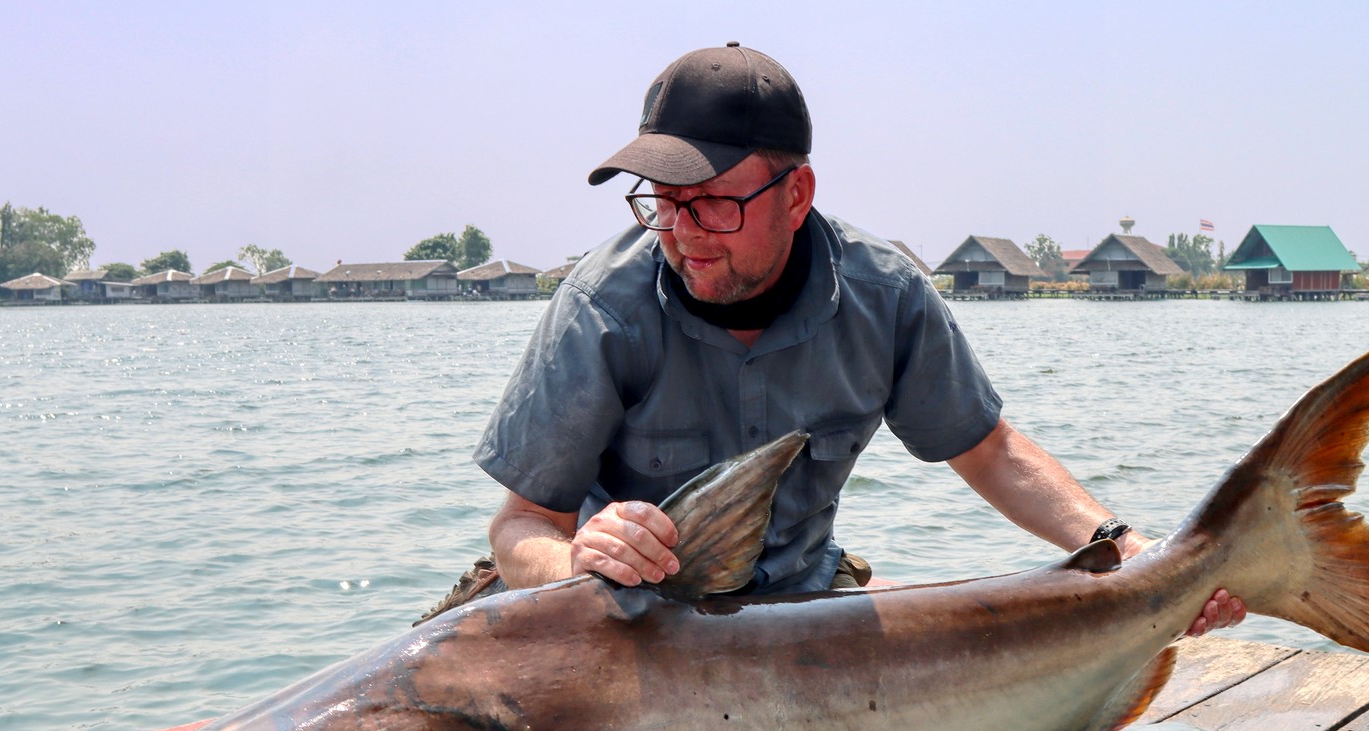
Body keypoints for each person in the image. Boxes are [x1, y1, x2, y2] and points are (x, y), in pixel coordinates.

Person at [473, 42, 1243, 636]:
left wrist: (1127, 550)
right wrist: (576, 558)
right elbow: (521, 528)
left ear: (797, 195)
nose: (681, 234)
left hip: (808, 599)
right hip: (625, 612)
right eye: (662, 205)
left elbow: (989, 451)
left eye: (709, 204)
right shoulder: (599, 310)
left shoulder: (886, 294)